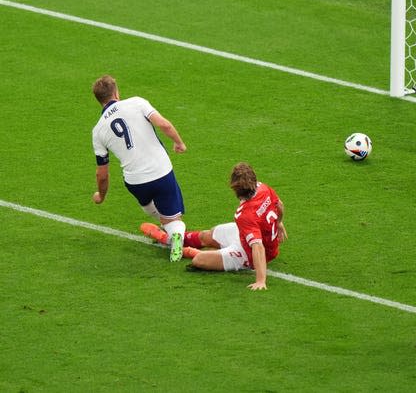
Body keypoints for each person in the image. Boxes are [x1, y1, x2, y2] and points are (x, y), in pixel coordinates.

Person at [141, 162, 287, 290]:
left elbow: (257, 246)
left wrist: (260, 280)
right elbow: (279, 205)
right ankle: (170, 238)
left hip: (250, 253)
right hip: (246, 232)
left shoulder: (244, 215)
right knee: (207, 235)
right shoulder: (263, 188)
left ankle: (188, 250)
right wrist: (279, 222)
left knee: (199, 261)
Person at [91, 75, 187, 262]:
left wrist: (101, 196)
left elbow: (102, 174)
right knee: (174, 217)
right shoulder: (137, 102)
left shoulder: (98, 131)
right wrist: (179, 143)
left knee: (153, 208)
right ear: (116, 92)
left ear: (99, 100)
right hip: (161, 171)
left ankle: (167, 232)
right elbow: (164, 124)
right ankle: (175, 234)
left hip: (135, 182)